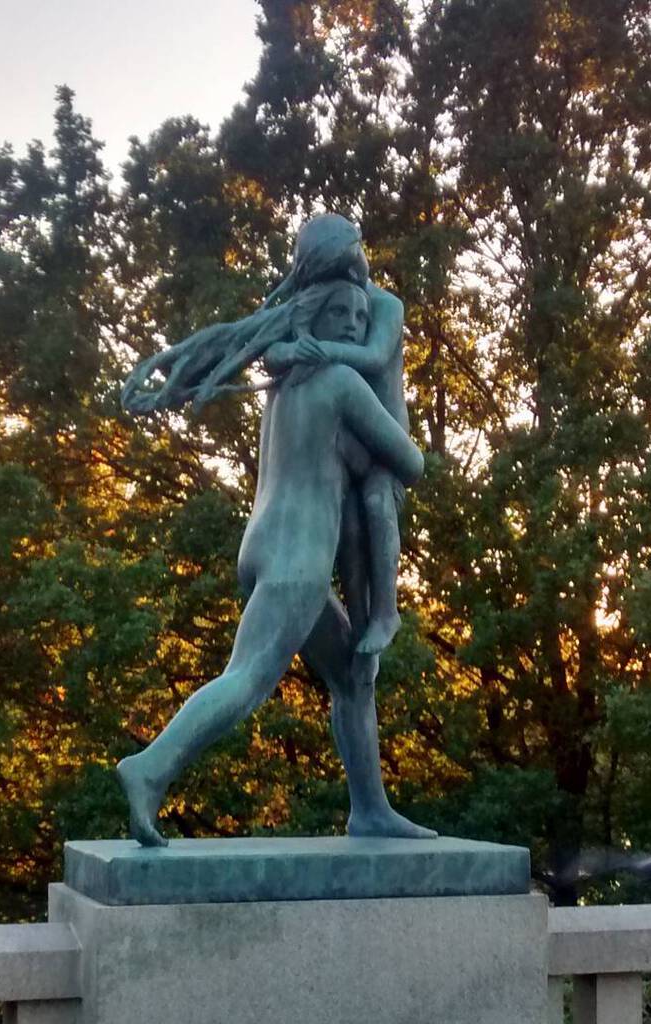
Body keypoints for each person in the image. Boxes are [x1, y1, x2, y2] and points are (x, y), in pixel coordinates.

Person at [118, 277, 436, 845]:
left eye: (361, 316)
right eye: (337, 312)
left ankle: (370, 809)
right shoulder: (340, 382)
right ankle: (151, 767)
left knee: (352, 680)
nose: (352, 324)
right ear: (309, 319)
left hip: (266, 546)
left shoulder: (284, 388)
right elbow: (410, 461)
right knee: (247, 679)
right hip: (299, 561)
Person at [123, 215, 410, 657]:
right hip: (345, 433)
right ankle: (360, 631)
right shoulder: (321, 303)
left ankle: (385, 612)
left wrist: (323, 351)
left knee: (374, 501)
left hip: (382, 427)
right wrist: (290, 350)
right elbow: (274, 346)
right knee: (351, 525)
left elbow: (372, 357)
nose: (349, 316)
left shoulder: (381, 306)